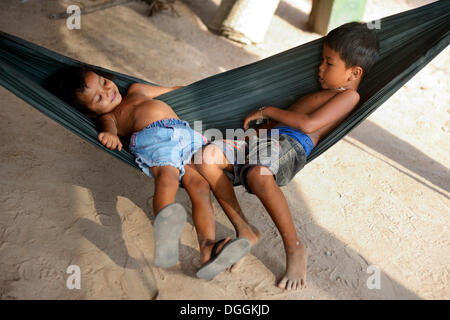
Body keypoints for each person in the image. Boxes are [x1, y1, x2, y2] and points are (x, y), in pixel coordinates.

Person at [195, 22, 380, 290]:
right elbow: (277, 127)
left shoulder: (349, 96)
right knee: (207, 157)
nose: (320, 68)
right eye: (321, 61)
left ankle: (294, 246)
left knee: (259, 174)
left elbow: (306, 124)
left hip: (291, 144)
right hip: (265, 141)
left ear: (354, 73)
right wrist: (249, 136)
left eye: (328, 63)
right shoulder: (322, 91)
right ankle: (244, 229)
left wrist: (267, 110)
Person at [47, 66, 251, 278]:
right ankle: (165, 233)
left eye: (104, 83)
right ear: (92, 111)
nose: (108, 92)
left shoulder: (137, 89)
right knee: (167, 177)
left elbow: (173, 90)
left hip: (186, 137)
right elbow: (109, 129)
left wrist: (204, 93)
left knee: (201, 187)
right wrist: (110, 135)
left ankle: (207, 248)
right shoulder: (110, 117)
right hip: (155, 142)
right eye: (99, 98)